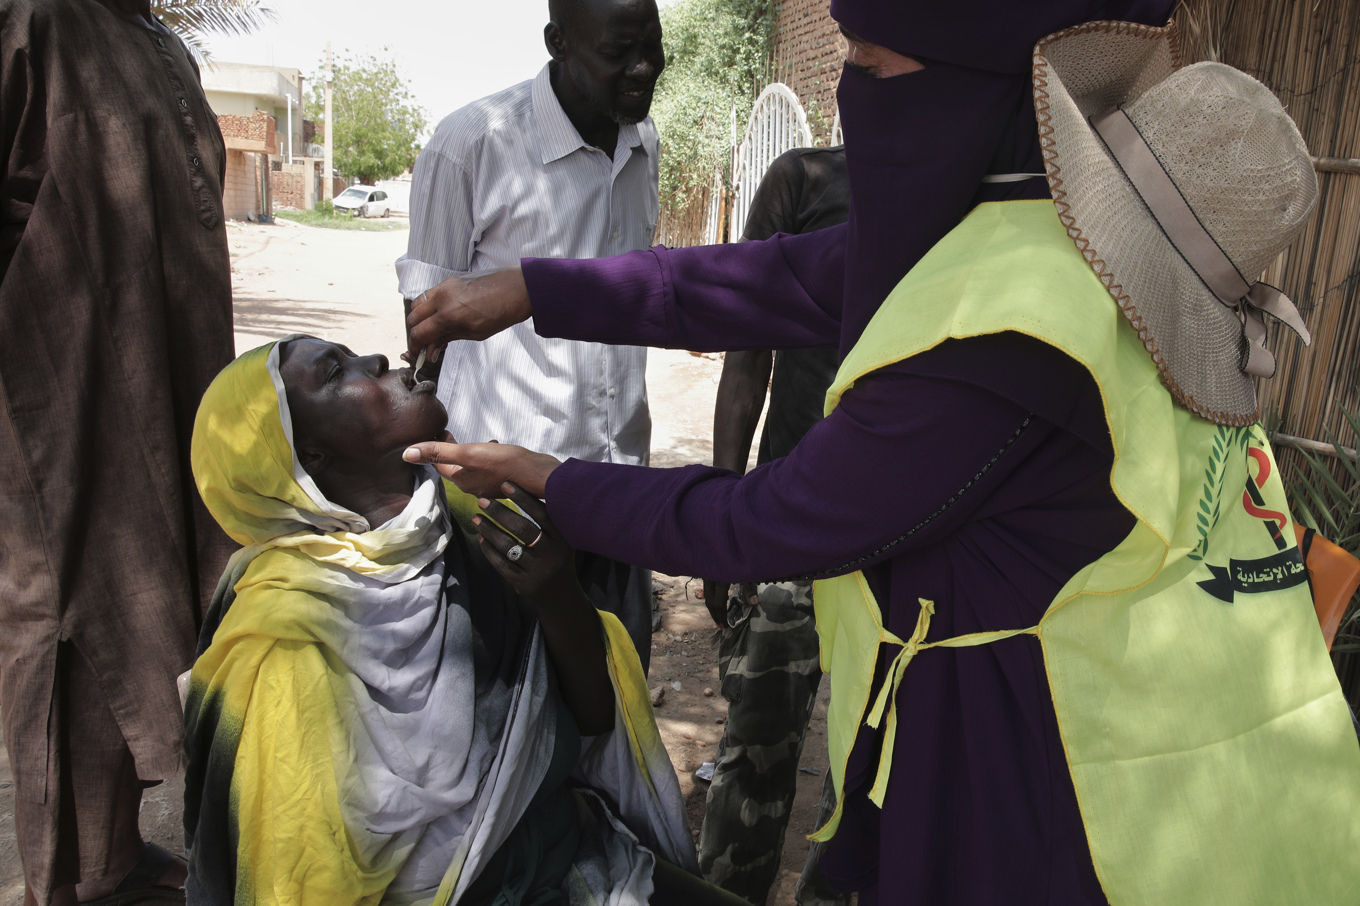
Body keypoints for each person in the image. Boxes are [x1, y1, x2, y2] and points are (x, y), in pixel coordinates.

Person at [401, 6, 1360, 905]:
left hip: (1095, 798)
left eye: (869, 63)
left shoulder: (1014, 328)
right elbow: (763, 278)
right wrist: (534, 289)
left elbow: (767, 520)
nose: (847, 90)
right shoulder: (1046, 236)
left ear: (966, 94)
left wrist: (549, 479)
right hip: (1213, 737)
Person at [183, 337, 754, 906]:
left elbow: (593, 719)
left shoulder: (474, 523)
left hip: (565, 860)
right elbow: (299, 875)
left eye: (351, 353)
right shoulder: (282, 633)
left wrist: (556, 594)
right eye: (335, 372)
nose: (376, 361)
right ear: (311, 457)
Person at [0, 1, 235, 903]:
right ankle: (70, 880)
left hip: (167, 381)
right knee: (68, 617)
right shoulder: (33, 20)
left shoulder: (159, 39)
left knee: (151, 601)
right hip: (56, 403)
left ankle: (115, 855)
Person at [396, 0, 666, 672]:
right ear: (558, 42)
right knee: (514, 702)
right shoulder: (472, 143)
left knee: (617, 695)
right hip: (507, 507)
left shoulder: (643, 142)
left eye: (653, 47)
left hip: (619, 489)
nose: (643, 68)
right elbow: (425, 329)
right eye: (619, 51)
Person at [698, 146, 849, 906]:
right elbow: (746, 350)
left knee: (870, 765)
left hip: (905, 538)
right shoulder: (803, 181)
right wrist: (725, 520)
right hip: (791, 518)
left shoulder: (957, 192)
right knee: (756, 743)